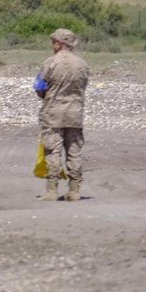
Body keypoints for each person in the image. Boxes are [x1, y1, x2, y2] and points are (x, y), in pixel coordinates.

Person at [36, 27, 89, 202]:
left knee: (53, 151)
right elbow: (82, 87)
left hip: (53, 113)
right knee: (74, 152)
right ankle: (74, 190)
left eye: (54, 42)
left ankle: (52, 191)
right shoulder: (82, 64)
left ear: (59, 44)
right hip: (75, 113)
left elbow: (39, 88)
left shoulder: (50, 62)